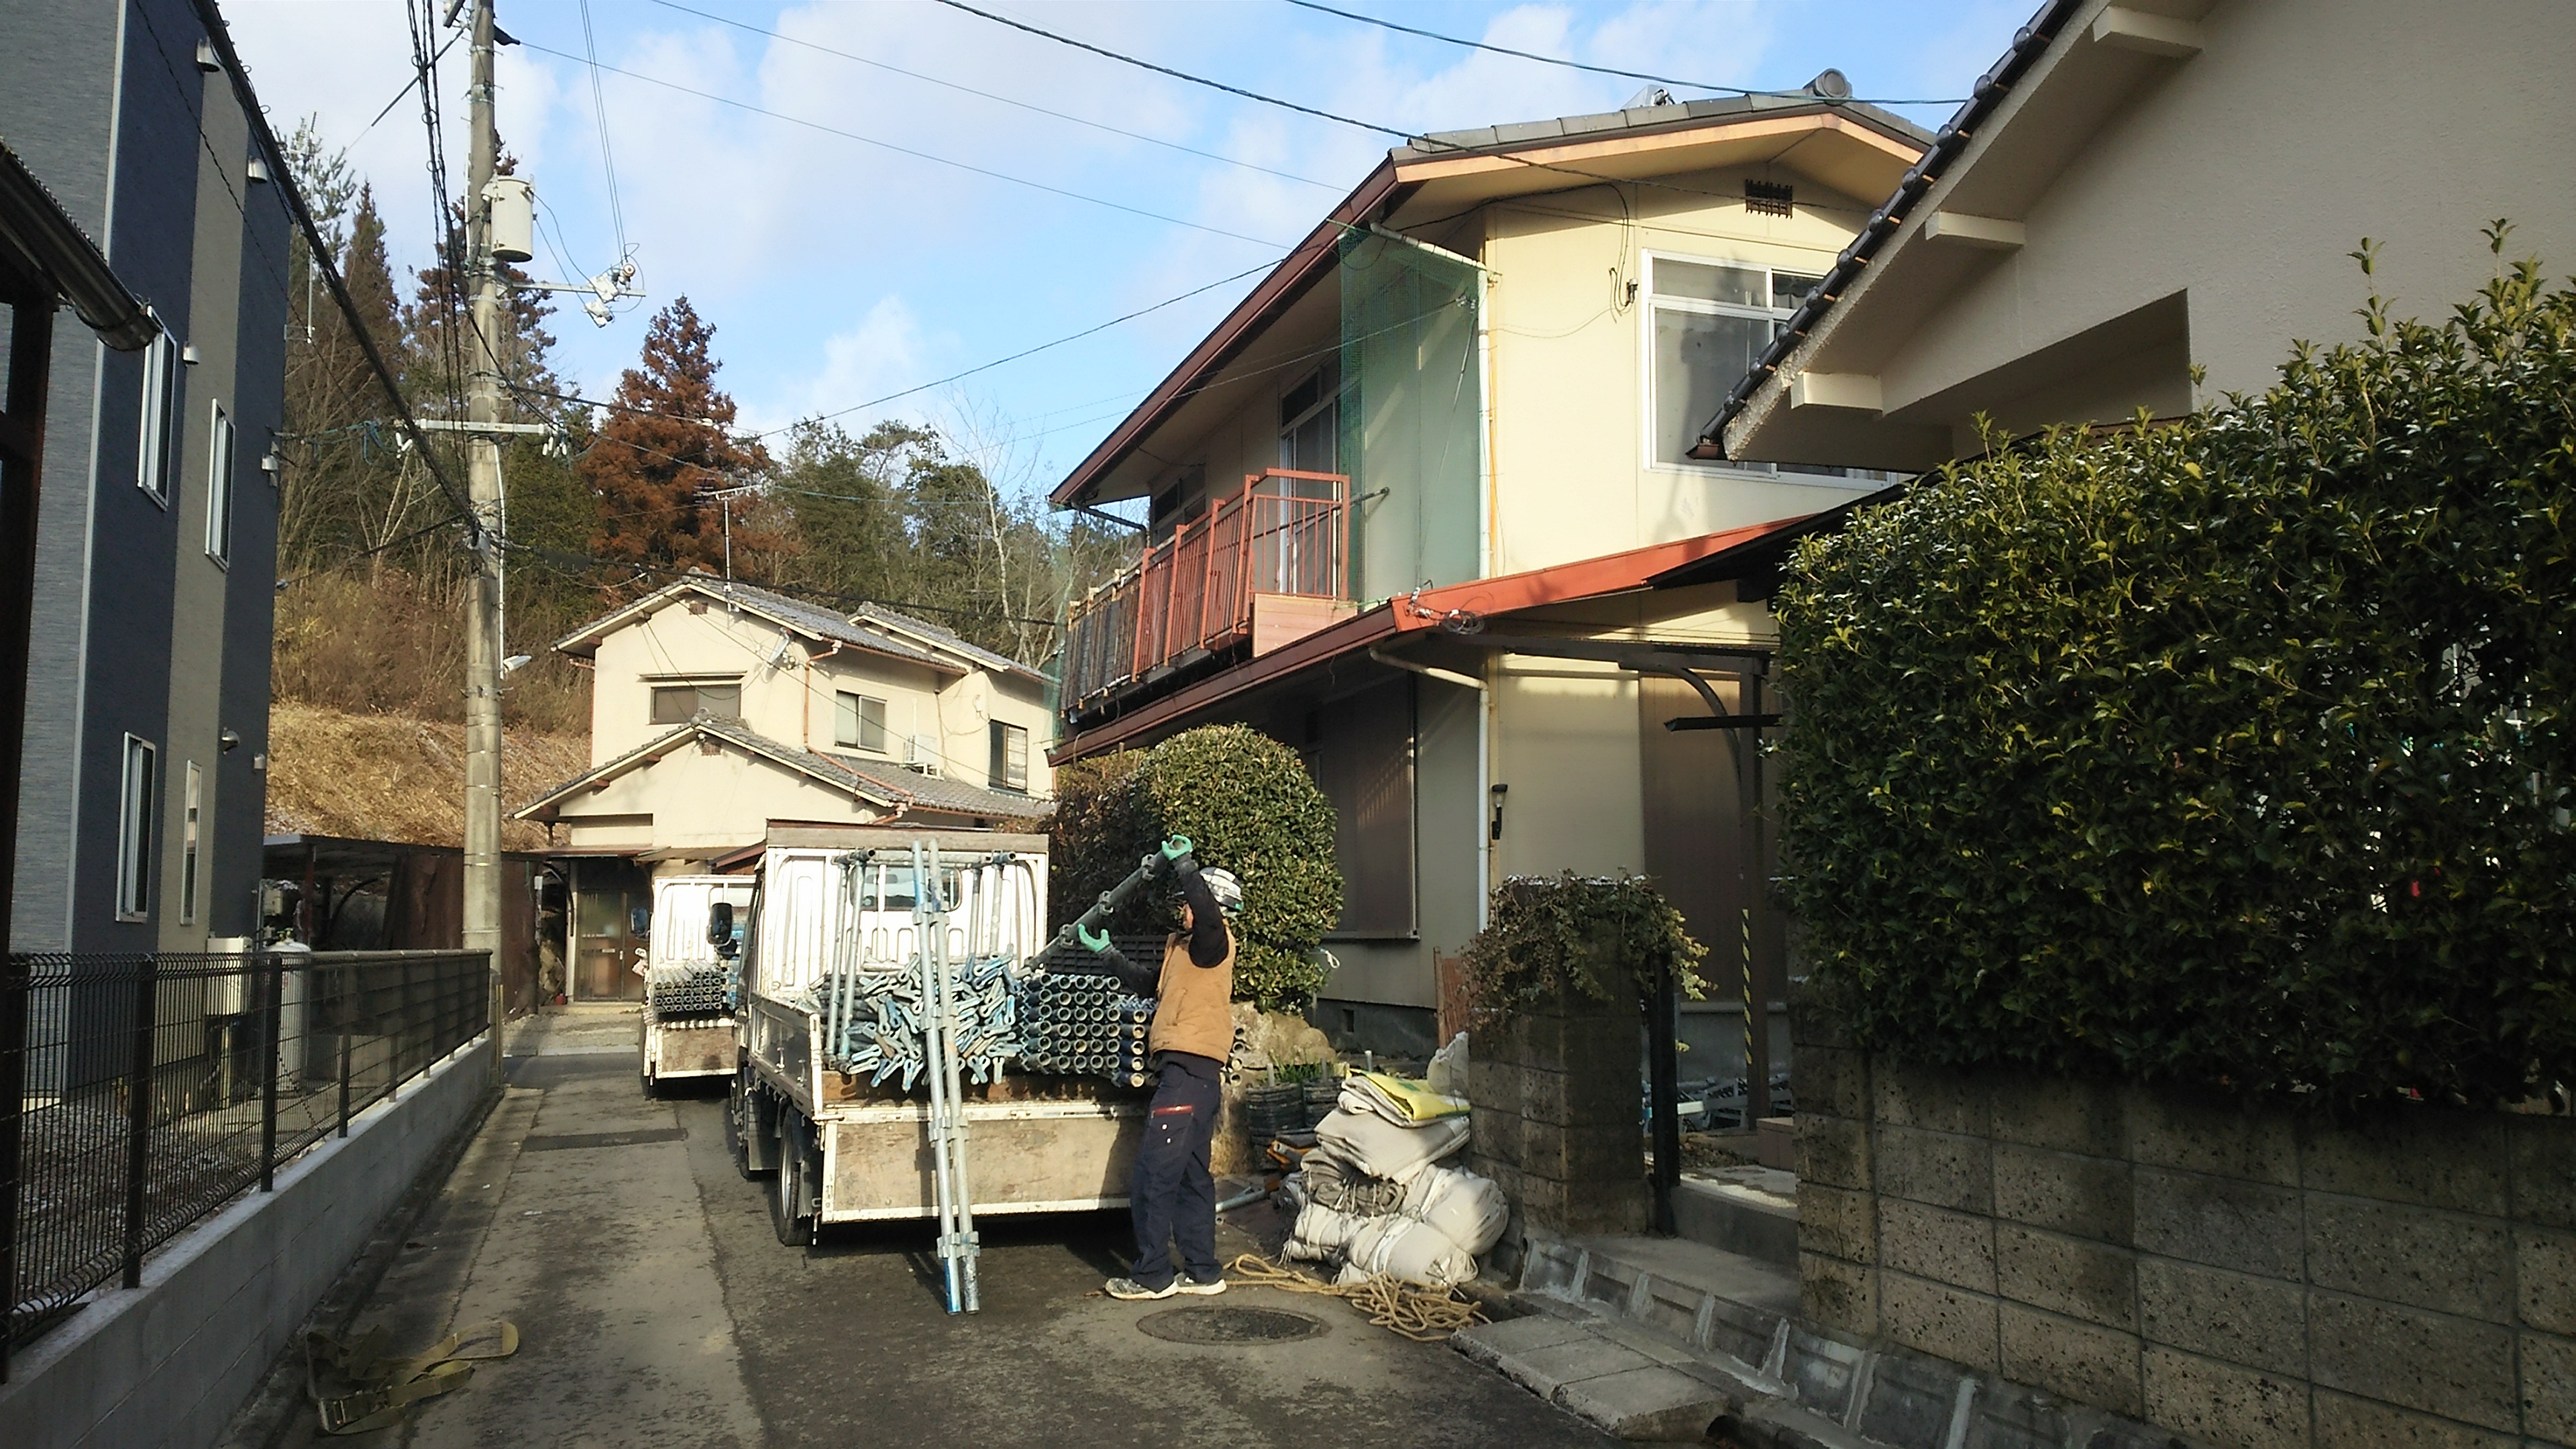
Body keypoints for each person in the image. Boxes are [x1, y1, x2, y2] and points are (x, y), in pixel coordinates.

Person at [1096, 849, 1243, 1301]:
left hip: (1188, 1071)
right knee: (1191, 1177)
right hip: (1195, 1076)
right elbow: (1150, 987)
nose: (1183, 909)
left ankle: (1152, 1276)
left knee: (1154, 1175)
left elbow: (1209, 916)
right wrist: (1109, 955)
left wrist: (1185, 866)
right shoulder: (1183, 950)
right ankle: (1203, 1272)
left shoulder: (1213, 942)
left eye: (1189, 903)